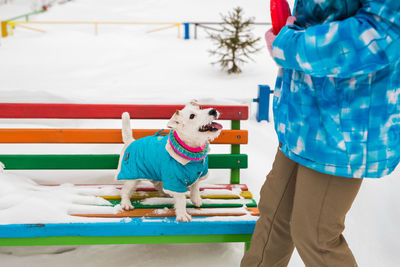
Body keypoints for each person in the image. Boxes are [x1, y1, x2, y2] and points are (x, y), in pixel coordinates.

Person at [241, 0, 400, 266]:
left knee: (315, 234)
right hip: (301, 121)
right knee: (274, 216)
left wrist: (288, 45)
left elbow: (378, 35)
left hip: (344, 130)